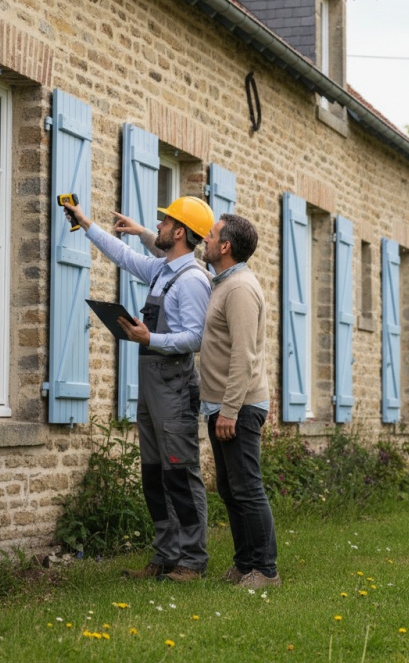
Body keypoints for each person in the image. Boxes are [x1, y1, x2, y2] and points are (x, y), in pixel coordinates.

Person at [65, 195, 214, 583]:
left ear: (180, 232)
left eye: (164, 222)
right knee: (154, 472)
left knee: (181, 472)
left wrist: (151, 339)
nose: (158, 226)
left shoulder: (194, 280)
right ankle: (165, 555)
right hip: (151, 384)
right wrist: (86, 223)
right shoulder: (163, 270)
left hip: (175, 385)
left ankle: (192, 560)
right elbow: (124, 256)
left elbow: (197, 338)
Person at [200, 214, 280, 588]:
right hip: (223, 406)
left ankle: (265, 570)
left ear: (226, 246)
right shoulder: (225, 284)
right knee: (231, 489)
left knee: (247, 487)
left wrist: (230, 411)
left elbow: (244, 356)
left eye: (212, 235)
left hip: (240, 407)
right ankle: (245, 563)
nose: (205, 238)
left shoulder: (241, 289)